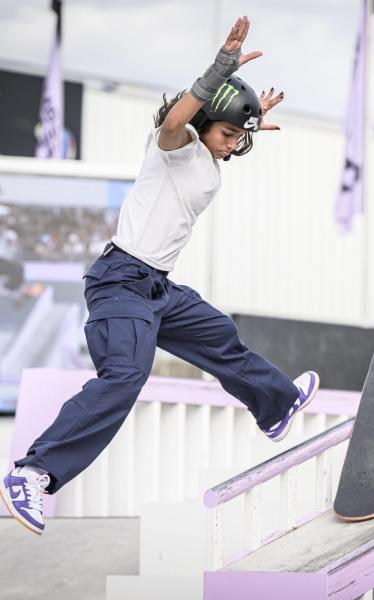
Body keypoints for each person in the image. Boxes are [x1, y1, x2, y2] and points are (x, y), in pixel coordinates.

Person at [0, 17, 319, 536]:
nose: (232, 145)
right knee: (126, 375)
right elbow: (179, 120)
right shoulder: (171, 145)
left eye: (240, 138)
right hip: (120, 281)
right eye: (227, 134)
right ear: (206, 119)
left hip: (158, 289)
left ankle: (275, 403)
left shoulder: (212, 161)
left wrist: (252, 117)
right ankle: (33, 473)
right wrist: (219, 72)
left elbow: (225, 134)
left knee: (218, 333)